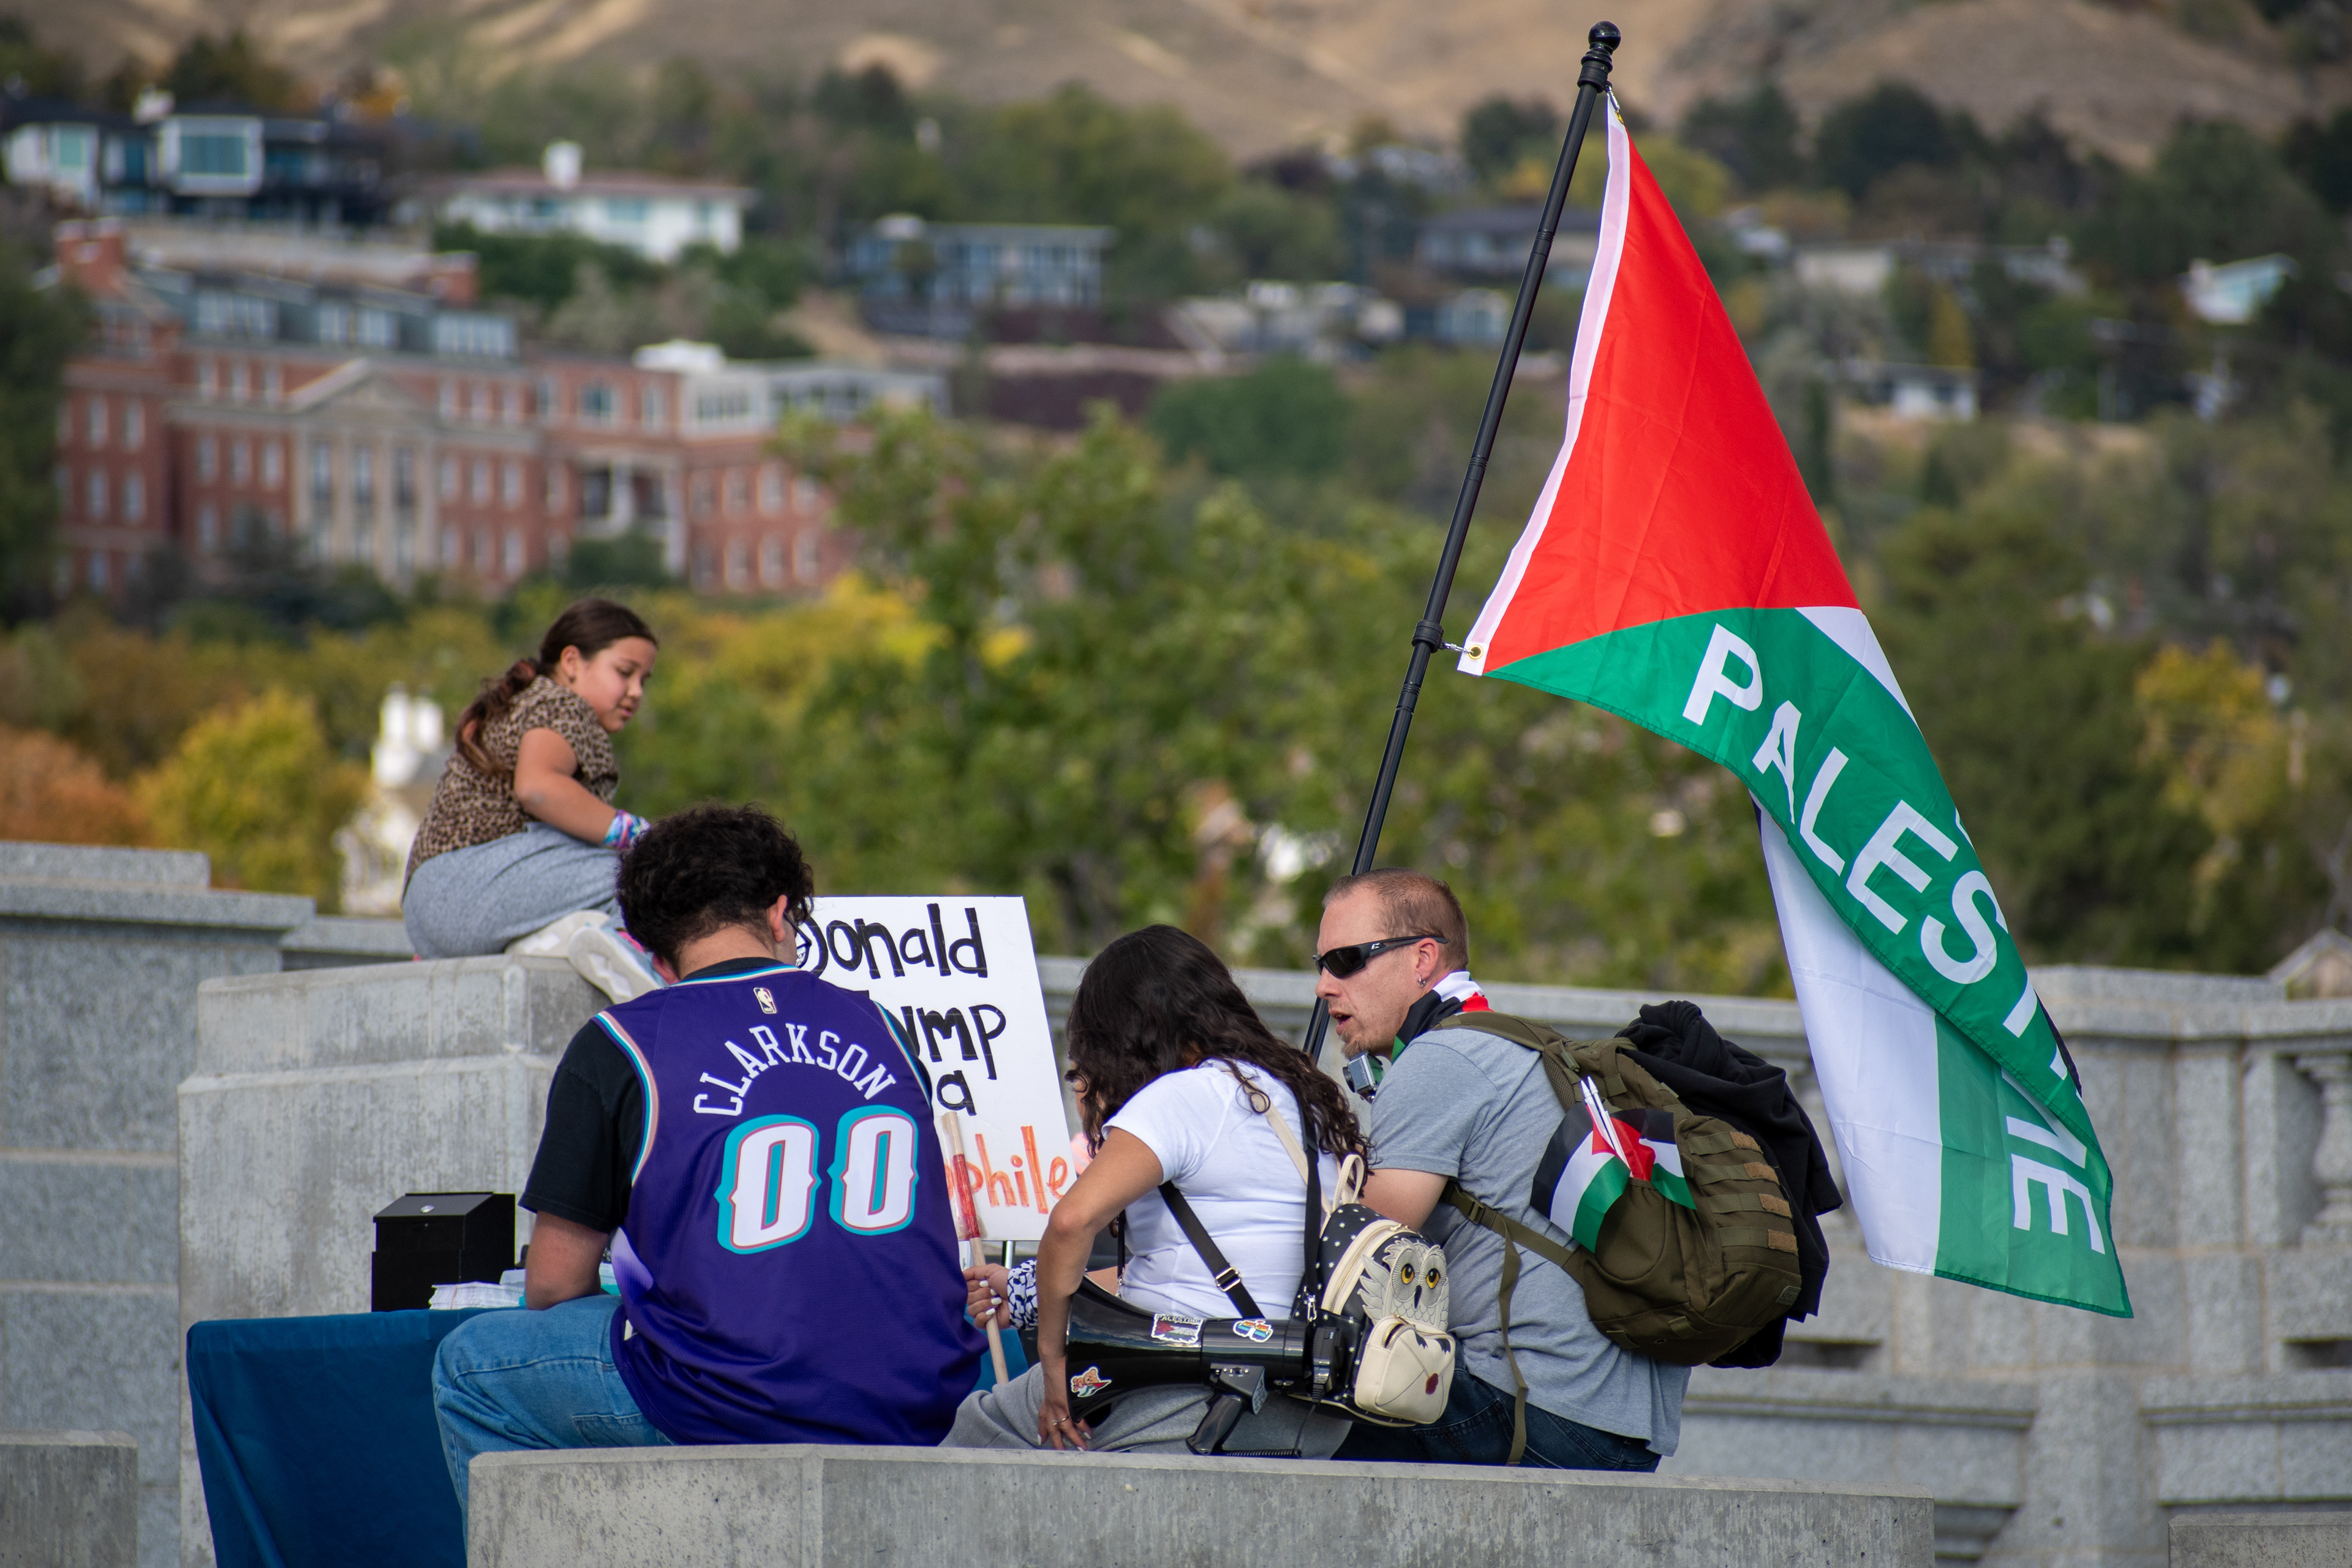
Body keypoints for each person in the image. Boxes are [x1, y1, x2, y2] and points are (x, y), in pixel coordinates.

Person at [431, 805, 979, 1520]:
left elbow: (554, 1285)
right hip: (923, 1391)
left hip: (742, 1398)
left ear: (655, 957)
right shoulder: (884, 1023)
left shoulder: (621, 1041)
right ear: (782, 913)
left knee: (469, 1366)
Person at [1316, 868, 1687, 1471]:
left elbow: (1363, 1244)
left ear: (1422, 958)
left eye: (1346, 959)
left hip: (1536, 1411)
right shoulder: (1511, 1044)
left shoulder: (1441, 1056)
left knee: (1283, 1423)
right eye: (1321, 964)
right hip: (1621, 1424)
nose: (1324, 986)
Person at [945, 924, 1355, 1457]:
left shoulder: (1181, 1096)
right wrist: (1025, 1292)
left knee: (973, 1434)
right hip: (1302, 1402)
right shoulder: (1298, 1097)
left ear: (1123, 1033)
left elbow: (1070, 1223)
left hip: (1190, 1391)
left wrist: (1053, 1370)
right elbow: (1200, 1260)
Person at [401, 597, 662, 999]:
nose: (636, 691)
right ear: (572, 662)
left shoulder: (528, 704)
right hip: (472, 886)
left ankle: (555, 941)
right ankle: (631, 949)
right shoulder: (560, 704)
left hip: (433, 910)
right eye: (625, 673)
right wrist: (638, 835)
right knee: (650, 875)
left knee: (616, 866)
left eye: (645, 680)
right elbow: (538, 787)